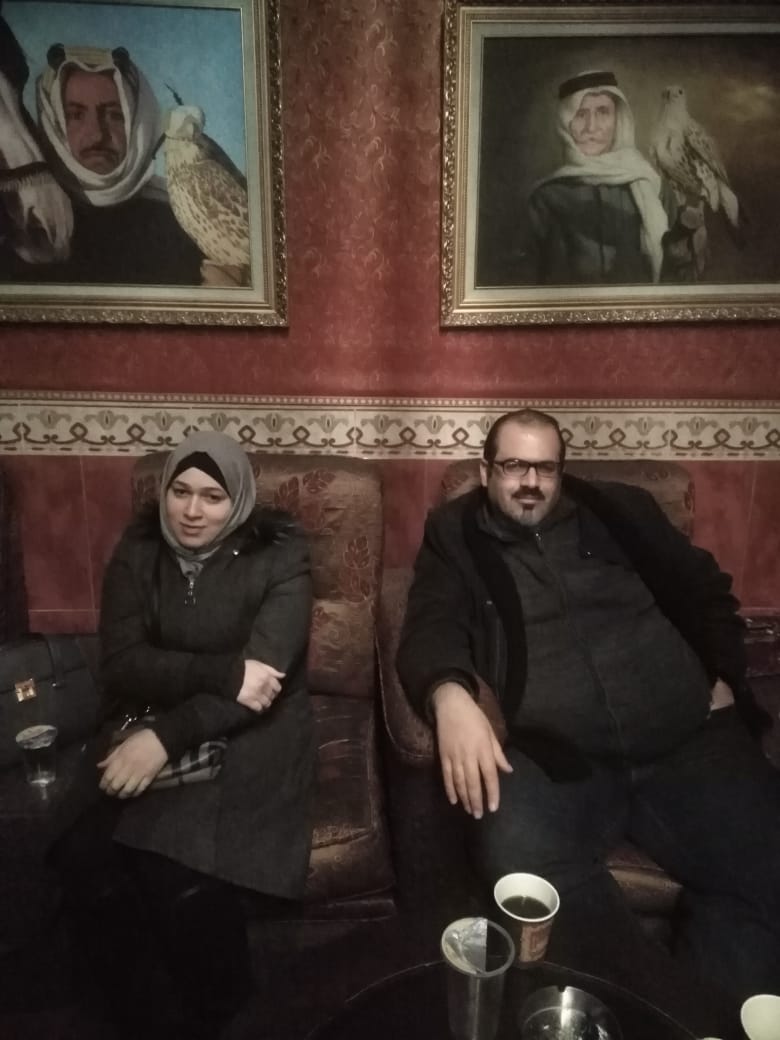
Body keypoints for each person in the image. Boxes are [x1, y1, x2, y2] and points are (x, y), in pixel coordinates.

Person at [397, 408, 780, 1039]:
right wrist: (449, 695)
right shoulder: (456, 532)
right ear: (486, 471)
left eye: (545, 468)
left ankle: (713, 1021)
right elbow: (429, 624)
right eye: (514, 466)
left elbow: (703, 584)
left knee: (765, 864)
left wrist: (722, 671)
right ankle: (657, 1015)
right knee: (519, 862)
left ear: (561, 471)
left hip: (686, 738)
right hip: (556, 758)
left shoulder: (622, 509)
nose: (530, 482)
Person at [50, 431, 315, 1039]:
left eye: (213, 497)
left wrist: (167, 737)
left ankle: (220, 1009)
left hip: (253, 732)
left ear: (238, 500)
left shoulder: (280, 556)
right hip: (146, 713)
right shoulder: (140, 548)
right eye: (181, 492)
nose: (192, 511)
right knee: (82, 858)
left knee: (172, 864)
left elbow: (264, 683)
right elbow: (123, 662)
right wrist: (222, 673)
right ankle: (144, 1016)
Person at [22, 43, 203, 285]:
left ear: (138, 122)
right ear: (54, 122)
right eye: (76, 115)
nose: (97, 136)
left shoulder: (183, 218)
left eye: (115, 115)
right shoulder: (28, 221)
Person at [527, 70, 670, 285]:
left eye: (603, 112)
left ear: (618, 119)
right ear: (565, 123)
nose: (591, 127)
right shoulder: (546, 198)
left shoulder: (652, 185)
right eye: (580, 114)